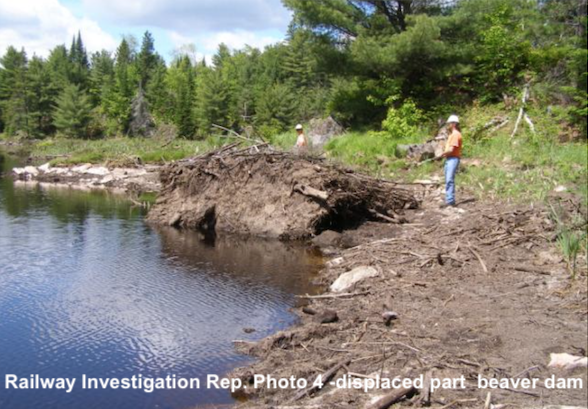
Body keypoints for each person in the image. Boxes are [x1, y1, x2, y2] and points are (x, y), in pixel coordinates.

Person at [438, 115, 462, 208]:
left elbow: (451, 149)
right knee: (448, 179)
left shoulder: (455, 135)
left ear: (454, 124)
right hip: (450, 159)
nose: (448, 125)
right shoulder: (452, 134)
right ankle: (449, 199)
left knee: (449, 180)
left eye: (449, 123)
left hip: (453, 159)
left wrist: (442, 154)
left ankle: (450, 201)